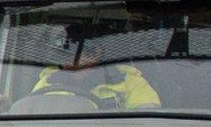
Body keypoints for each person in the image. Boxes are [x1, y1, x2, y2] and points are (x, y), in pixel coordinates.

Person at [30, 37, 161, 109]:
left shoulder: (128, 80)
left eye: (83, 52)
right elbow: (31, 114)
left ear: (98, 55)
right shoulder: (48, 82)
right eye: (68, 52)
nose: (73, 58)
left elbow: (148, 120)